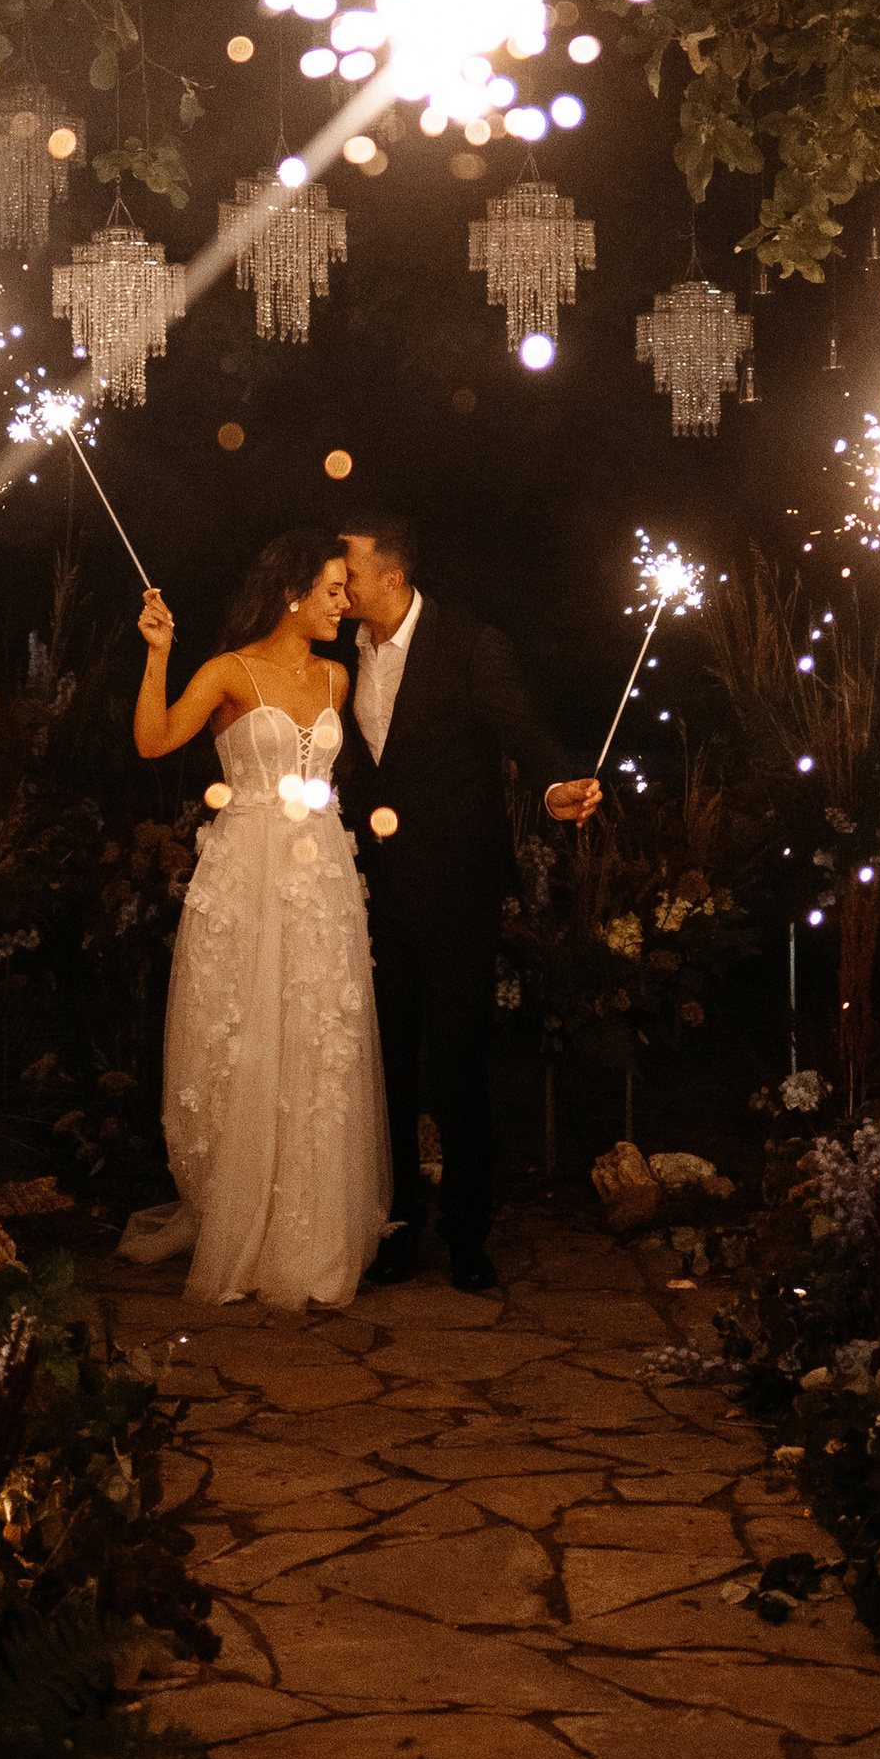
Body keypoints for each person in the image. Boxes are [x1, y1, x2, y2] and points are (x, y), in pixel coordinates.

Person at [337, 514, 601, 1295]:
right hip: (369, 892)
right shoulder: (336, 648)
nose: (337, 579)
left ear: (392, 577)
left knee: (457, 1065)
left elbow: (526, 733)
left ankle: (467, 1234)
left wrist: (559, 788)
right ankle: (395, 1230)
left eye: (349, 568)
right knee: (383, 1065)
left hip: (456, 889)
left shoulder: (471, 642)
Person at [126, 530, 390, 1311]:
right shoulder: (228, 672)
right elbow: (154, 741)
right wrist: (157, 653)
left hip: (322, 880)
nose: (345, 603)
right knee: (242, 1038)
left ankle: (310, 1235)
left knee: (319, 1040)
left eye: (347, 589)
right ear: (293, 593)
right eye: (334, 590)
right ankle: (243, 1215)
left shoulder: (342, 680)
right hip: (246, 875)